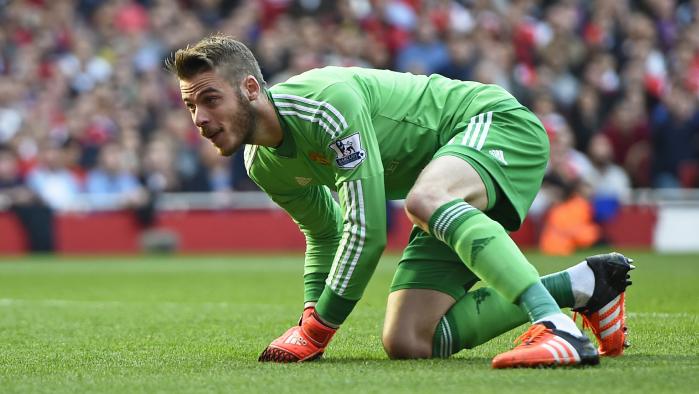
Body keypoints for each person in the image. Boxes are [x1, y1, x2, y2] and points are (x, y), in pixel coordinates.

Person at [166, 34, 634, 367]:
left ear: (251, 88)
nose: (200, 118)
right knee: (409, 340)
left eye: (209, 99)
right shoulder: (262, 164)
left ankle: (555, 327)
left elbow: (366, 230)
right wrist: (310, 316)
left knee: (425, 198)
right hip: (444, 178)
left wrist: (317, 332)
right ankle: (586, 286)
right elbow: (324, 233)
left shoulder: (324, 103)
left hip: (495, 124)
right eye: (190, 106)